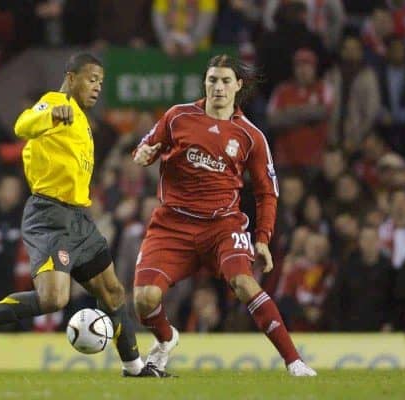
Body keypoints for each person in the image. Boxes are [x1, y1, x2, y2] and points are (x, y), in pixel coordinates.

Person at [0, 53, 165, 377]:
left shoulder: (82, 121)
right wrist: (51, 117)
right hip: (49, 214)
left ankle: (133, 368)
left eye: (100, 83)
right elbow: (22, 125)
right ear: (71, 76)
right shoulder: (54, 103)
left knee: (114, 292)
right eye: (92, 79)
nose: (97, 88)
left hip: (79, 219)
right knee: (53, 299)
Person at [132, 54, 317, 376]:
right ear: (205, 83)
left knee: (244, 282)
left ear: (238, 86)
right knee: (144, 300)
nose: (218, 87)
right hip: (173, 224)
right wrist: (145, 155)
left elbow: (266, 192)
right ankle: (165, 339)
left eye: (225, 81)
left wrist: (263, 239)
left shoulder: (251, 136)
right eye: (212, 80)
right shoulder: (177, 117)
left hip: (222, 225)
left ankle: (295, 362)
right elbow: (144, 147)